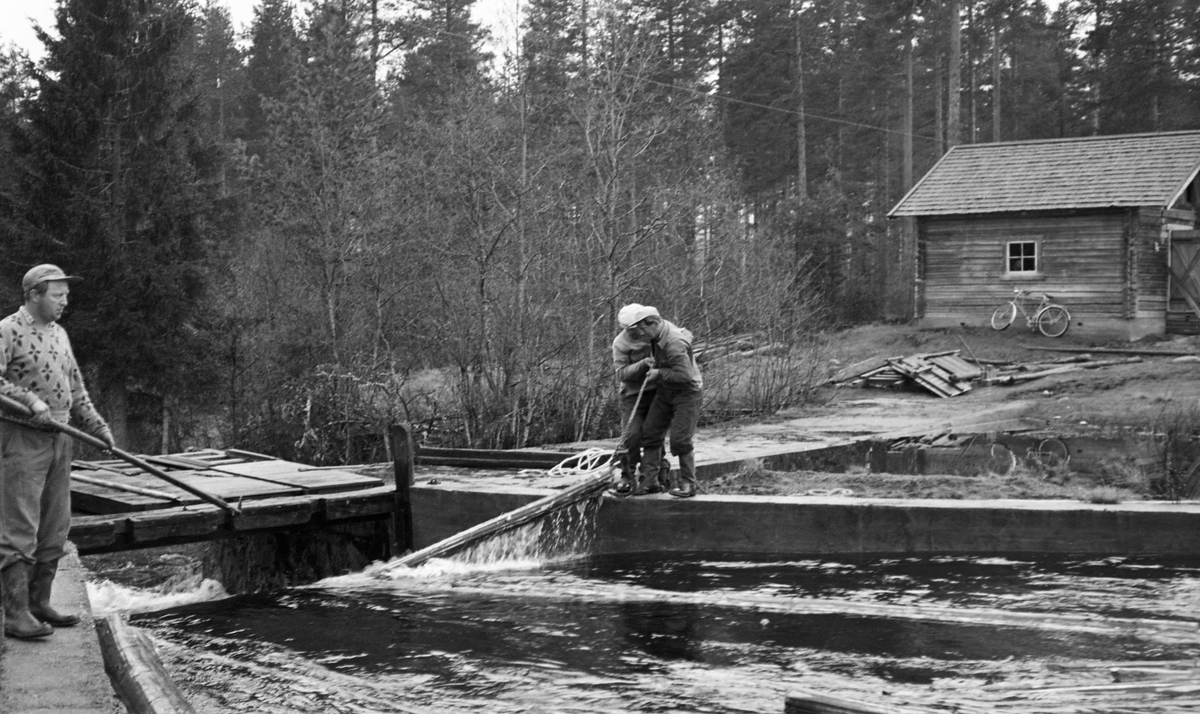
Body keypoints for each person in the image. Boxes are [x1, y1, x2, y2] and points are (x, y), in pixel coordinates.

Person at [0, 264, 115, 639]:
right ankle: (15, 615)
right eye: (57, 294)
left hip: (60, 439)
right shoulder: (7, 330)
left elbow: (76, 387)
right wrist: (29, 399)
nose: (65, 301)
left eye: (66, 294)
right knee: (20, 525)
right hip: (22, 438)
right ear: (34, 294)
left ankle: (39, 603)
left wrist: (98, 426)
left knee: (55, 524)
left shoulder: (60, 333)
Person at [627, 308, 703, 498]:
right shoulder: (659, 331)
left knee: (680, 440)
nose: (642, 334)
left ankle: (688, 483)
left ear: (654, 323)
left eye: (644, 330)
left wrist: (659, 373)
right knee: (650, 432)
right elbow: (686, 334)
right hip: (666, 390)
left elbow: (685, 375)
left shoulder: (673, 343)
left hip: (687, 392)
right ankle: (650, 482)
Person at [611, 304, 670, 496]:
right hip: (632, 395)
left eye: (639, 327)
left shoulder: (656, 332)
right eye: (631, 329)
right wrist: (643, 365)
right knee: (632, 435)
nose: (637, 332)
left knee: (654, 434)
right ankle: (628, 474)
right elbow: (622, 374)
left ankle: (656, 475)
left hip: (658, 392)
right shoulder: (620, 344)